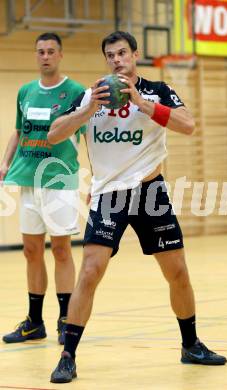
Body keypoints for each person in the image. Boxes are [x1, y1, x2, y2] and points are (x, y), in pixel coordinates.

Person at [48, 31, 227, 383]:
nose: (117, 60)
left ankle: (190, 345)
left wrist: (142, 104)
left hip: (150, 193)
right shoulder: (91, 95)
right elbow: (53, 134)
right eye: (110, 55)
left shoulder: (156, 91)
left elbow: (188, 125)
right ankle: (68, 354)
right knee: (89, 272)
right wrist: (87, 111)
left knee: (177, 272)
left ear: (134, 55)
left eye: (122, 53)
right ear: (106, 60)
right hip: (109, 194)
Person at [0, 32, 87, 345]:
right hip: (27, 180)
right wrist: (5, 162)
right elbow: (18, 131)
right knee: (31, 250)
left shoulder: (76, 92)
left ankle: (66, 319)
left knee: (61, 249)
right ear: (35, 55)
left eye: (51, 51)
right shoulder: (25, 91)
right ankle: (34, 322)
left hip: (59, 181)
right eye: (41, 51)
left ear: (61, 55)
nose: (46, 56)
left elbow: (87, 135)